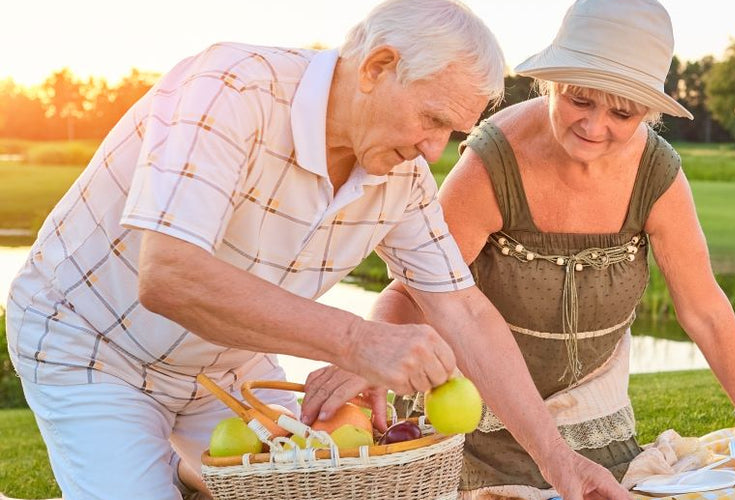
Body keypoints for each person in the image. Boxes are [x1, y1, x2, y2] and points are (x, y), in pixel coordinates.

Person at [4, 1, 628, 498]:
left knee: (306, 488)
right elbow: (168, 275)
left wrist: (560, 463)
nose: (434, 150)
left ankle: (184, 469)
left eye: (453, 132)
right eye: (432, 120)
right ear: (377, 67)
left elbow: (463, 310)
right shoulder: (231, 89)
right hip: (91, 345)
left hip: (224, 368)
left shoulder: (399, 177)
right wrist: (358, 343)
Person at [300, 0, 735, 497]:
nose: (595, 127)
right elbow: (412, 293)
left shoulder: (657, 174)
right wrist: (367, 359)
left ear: (648, 112)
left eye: (622, 113)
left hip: (591, 421)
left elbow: (703, 307)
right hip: (472, 420)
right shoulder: (493, 163)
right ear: (550, 83)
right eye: (579, 100)